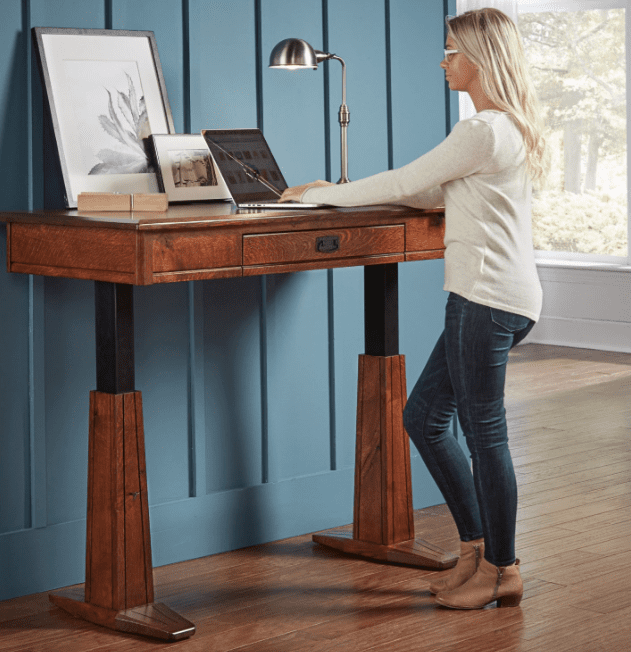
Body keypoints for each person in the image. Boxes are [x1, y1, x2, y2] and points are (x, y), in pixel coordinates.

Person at [279, 8, 548, 610]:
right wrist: (336, 195)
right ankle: (478, 552)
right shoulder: (501, 130)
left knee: (485, 437)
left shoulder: (482, 130)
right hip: (502, 296)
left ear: (480, 58)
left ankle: (503, 569)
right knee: (424, 417)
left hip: (486, 297)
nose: (444, 61)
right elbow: (434, 188)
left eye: (452, 50)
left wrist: (325, 197)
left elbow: (404, 182)